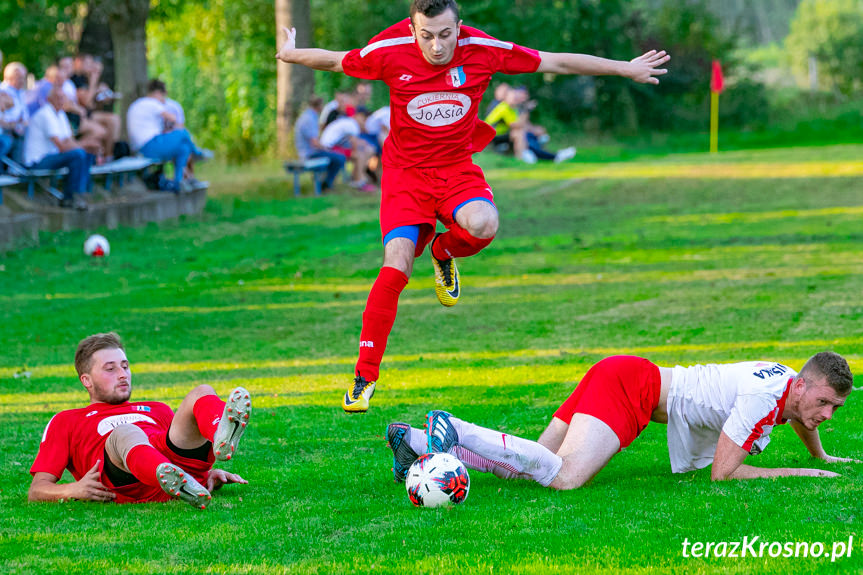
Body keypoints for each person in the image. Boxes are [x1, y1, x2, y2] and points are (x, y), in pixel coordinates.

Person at [276, 0, 669, 413]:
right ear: (413, 29)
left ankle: (443, 252)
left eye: (445, 35)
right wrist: (290, 54)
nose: (437, 46)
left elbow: (557, 62)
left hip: (455, 169)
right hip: (405, 176)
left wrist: (625, 67)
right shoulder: (388, 50)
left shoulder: (483, 49)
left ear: (459, 27)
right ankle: (364, 376)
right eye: (426, 35)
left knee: (484, 223)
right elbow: (337, 62)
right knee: (395, 265)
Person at [386, 352, 858, 488]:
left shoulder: (786, 384)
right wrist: (802, 471)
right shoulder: (762, 396)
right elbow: (723, 472)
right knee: (565, 477)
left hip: (624, 372)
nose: (826, 414)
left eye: (834, 408)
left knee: (534, 463)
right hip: (631, 387)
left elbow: (801, 417)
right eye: (824, 402)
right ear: (799, 384)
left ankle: (420, 443)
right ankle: (457, 428)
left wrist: (821, 449)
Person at [29, 332, 251, 509]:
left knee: (201, 392)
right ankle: (171, 476)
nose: (123, 374)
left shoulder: (157, 409)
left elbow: (180, 441)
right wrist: (72, 490)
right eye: (110, 369)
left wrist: (207, 474)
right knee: (126, 432)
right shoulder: (66, 420)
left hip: (172, 461)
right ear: (86, 380)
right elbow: (37, 490)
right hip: (126, 478)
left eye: (125, 366)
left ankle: (219, 437)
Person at [127, 79, 202, 193]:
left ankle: (178, 182)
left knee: (183, 148)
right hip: (149, 146)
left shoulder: (139, 103)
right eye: (163, 96)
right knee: (182, 133)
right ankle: (196, 152)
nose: (164, 100)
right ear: (158, 93)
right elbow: (174, 120)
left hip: (142, 146)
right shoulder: (152, 103)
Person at [23, 88, 93, 210]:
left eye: (63, 98)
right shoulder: (45, 114)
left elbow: (69, 140)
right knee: (78, 154)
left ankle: (81, 194)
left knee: (86, 154)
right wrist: (84, 144)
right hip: (37, 161)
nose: (61, 101)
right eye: (58, 98)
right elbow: (61, 146)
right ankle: (70, 197)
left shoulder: (60, 114)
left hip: (52, 157)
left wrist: (86, 147)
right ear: (49, 99)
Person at [485, 85, 575, 163]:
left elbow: (522, 124)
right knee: (519, 134)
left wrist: (534, 129)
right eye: (513, 96)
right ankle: (523, 157)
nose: (515, 98)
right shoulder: (504, 107)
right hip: (489, 137)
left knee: (527, 134)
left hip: (500, 134)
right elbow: (517, 125)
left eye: (515, 96)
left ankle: (549, 155)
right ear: (506, 97)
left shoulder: (512, 108)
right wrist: (526, 110)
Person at [294, 95, 347, 191]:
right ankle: (326, 184)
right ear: (319, 105)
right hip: (309, 154)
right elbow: (314, 142)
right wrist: (325, 148)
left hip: (308, 152)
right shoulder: (309, 118)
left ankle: (324, 181)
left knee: (334, 156)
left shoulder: (309, 115)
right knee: (340, 158)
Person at [319, 108, 377, 191]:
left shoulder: (348, 122)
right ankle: (359, 182)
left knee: (365, 151)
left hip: (331, 147)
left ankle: (357, 178)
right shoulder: (353, 124)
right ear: (358, 116)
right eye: (364, 120)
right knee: (359, 156)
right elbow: (354, 145)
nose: (364, 123)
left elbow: (353, 141)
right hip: (329, 148)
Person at [1, 62, 30, 163]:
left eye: (23, 77)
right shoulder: (2, 91)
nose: (22, 81)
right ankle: (16, 172)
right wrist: (15, 124)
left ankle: (20, 171)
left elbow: (25, 117)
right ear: (9, 77)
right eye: (19, 77)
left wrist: (22, 123)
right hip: (7, 130)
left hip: (18, 129)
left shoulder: (21, 93)